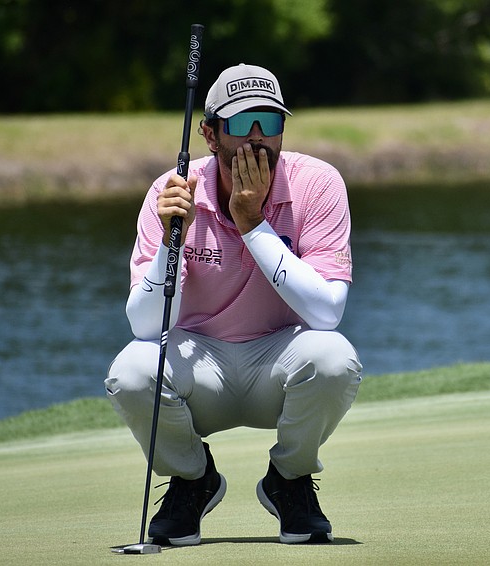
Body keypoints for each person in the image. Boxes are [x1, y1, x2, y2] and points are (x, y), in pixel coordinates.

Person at [105, 63, 362, 546]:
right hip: (198, 364)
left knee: (334, 357)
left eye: (271, 122)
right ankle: (191, 480)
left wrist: (252, 224)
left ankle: (290, 479)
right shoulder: (171, 192)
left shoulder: (318, 183)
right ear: (209, 133)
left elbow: (327, 313)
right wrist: (170, 241)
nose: (258, 138)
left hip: (278, 361)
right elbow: (143, 325)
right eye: (243, 124)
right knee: (132, 370)